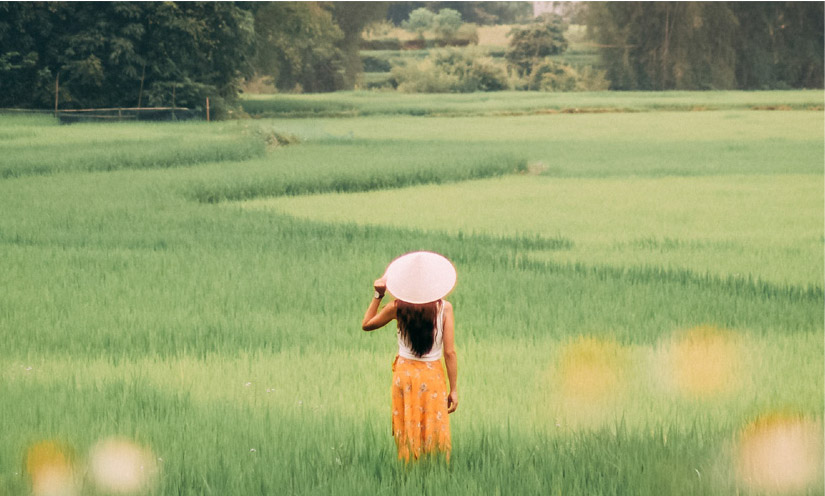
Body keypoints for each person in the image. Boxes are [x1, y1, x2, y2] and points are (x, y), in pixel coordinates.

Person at [361, 251, 458, 462]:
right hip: (432, 377)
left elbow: (367, 325)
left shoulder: (397, 307)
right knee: (433, 424)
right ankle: (436, 468)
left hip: (404, 375)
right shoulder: (445, 308)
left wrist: (378, 295)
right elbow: (449, 352)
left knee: (408, 424)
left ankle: (408, 468)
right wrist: (454, 389)